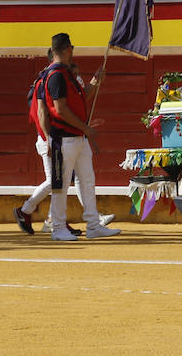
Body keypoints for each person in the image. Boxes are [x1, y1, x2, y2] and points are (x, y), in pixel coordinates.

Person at [43, 33, 120, 241]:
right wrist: (85, 128)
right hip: (64, 138)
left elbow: (81, 98)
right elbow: (60, 110)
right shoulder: (57, 75)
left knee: (87, 180)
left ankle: (93, 225)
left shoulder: (65, 74)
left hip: (76, 138)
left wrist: (95, 82)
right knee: (61, 184)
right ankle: (57, 227)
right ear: (68, 49)